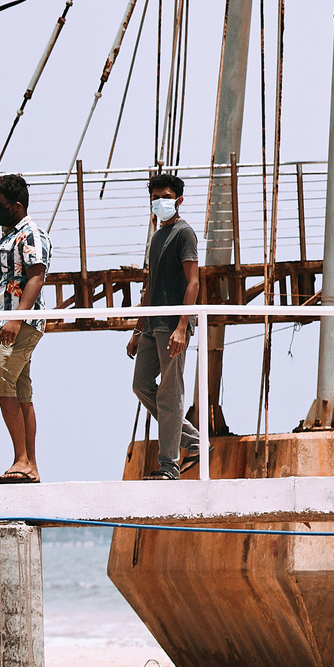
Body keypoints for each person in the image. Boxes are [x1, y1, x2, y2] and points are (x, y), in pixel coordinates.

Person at [0, 172, 52, 484]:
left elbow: (36, 276)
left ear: (16, 206)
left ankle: (23, 459)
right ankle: (28, 464)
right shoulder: (7, 238)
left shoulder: (29, 235)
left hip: (21, 323)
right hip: (3, 323)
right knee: (20, 389)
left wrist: (16, 319)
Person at [131, 172, 203, 479]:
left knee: (170, 394)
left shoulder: (184, 233)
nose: (160, 203)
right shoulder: (157, 236)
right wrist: (137, 329)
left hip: (173, 325)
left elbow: (193, 282)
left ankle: (168, 467)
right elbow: (150, 286)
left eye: (165, 198)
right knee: (141, 385)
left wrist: (181, 326)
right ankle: (194, 440)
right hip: (151, 326)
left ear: (179, 200)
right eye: (155, 198)